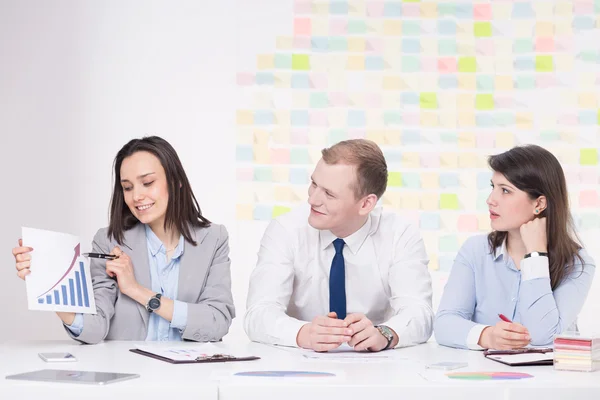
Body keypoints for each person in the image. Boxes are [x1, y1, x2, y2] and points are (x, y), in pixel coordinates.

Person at [13, 136, 234, 344]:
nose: (136, 196)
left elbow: (217, 321)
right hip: (130, 375)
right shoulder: (109, 241)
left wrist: (136, 290)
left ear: (176, 182)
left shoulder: (213, 239)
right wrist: (48, 284)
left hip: (190, 376)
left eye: (147, 183)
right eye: (127, 187)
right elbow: (95, 328)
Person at [244, 139, 433, 352]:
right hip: (301, 365)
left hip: (377, 368)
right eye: (314, 184)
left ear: (365, 204)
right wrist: (301, 333)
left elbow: (419, 312)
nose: (313, 200)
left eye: (329, 194)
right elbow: (258, 313)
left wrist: (385, 333)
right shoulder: (286, 230)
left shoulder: (400, 234)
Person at [434, 144, 595, 350]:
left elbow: (542, 337)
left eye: (505, 191)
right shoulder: (475, 251)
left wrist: (536, 254)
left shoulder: (577, 264)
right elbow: (444, 324)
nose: (490, 200)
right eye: (493, 187)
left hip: (549, 380)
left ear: (539, 204)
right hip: (484, 377)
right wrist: (486, 335)